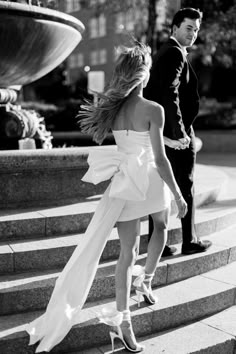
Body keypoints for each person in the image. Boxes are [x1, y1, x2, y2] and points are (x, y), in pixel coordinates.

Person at [26, 42, 187, 353]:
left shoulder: (113, 109)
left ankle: (124, 316)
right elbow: (160, 158)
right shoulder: (155, 109)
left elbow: (134, 138)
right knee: (162, 228)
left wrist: (165, 139)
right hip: (151, 178)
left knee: (128, 254)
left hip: (125, 182)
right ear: (144, 74)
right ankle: (145, 282)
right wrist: (179, 193)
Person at [144, 7, 212, 256]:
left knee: (162, 186)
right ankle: (189, 240)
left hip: (165, 131)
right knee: (186, 184)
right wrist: (180, 132)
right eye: (188, 28)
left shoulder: (167, 51)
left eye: (196, 30)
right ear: (174, 28)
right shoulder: (174, 53)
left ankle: (157, 245)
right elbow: (169, 94)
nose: (193, 34)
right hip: (176, 133)